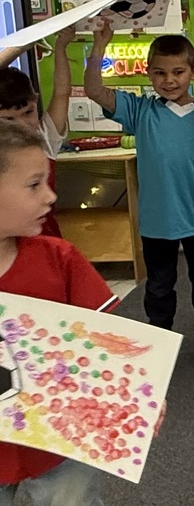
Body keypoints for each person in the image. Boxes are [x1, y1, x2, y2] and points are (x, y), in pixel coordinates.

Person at [84, 24, 194, 364]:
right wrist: (100, 44)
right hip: (157, 222)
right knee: (159, 287)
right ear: (148, 74)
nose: (169, 80)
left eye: (178, 71)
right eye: (160, 72)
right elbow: (94, 90)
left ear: (193, 71)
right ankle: (159, 336)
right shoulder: (141, 111)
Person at [0, 121, 120, 505]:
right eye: (34, 184)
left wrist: (132, 394)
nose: (51, 196)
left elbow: (110, 343)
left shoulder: (59, 260)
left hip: (60, 443)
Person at [0, 26, 76, 237]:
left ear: (35, 101)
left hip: (45, 241)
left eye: (28, 112)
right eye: (8, 119)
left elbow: (61, 92)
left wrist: (60, 47)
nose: (22, 124)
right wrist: (25, 41)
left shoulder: (43, 140)